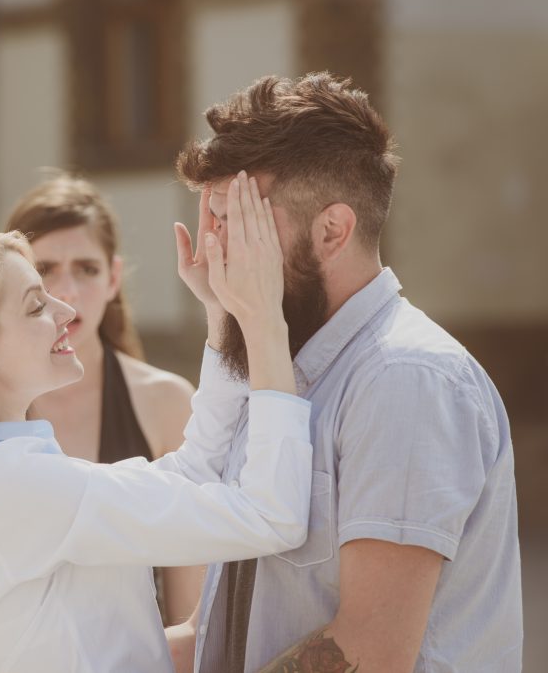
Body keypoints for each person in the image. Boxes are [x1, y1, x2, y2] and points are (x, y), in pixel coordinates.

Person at [0, 176, 316, 673]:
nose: (66, 308)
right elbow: (272, 516)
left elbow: (190, 477)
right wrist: (265, 318)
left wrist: (223, 312)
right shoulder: (14, 484)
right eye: (36, 303)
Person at [160, 72, 519, 672]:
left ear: (332, 231)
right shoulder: (277, 374)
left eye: (242, 221)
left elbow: (368, 654)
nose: (218, 250)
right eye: (216, 219)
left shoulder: (405, 380)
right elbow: (211, 641)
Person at [0, 175, 203, 672]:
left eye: (87, 269)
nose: (67, 291)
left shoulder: (166, 402)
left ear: (114, 279)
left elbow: (195, 613)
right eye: (44, 271)